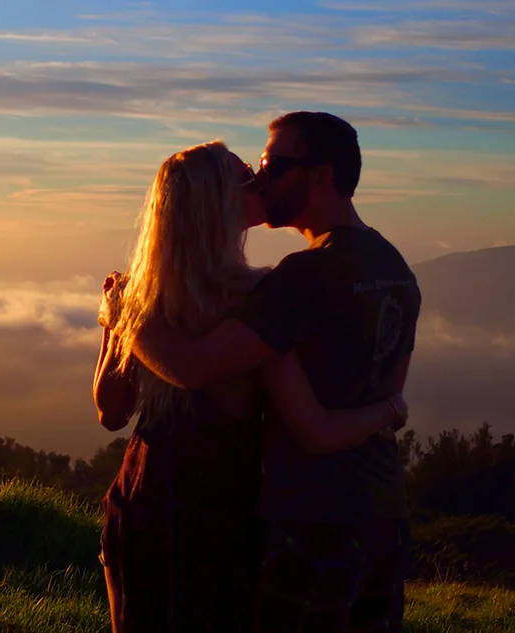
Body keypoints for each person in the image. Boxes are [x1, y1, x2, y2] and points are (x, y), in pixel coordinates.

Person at [93, 139, 409, 633]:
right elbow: (114, 410)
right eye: (245, 177)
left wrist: (121, 320)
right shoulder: (260, 295)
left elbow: (112, 410)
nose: (259, 184)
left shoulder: (144, 296)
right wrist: (388, 408)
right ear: (213, 203)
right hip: (221, 498)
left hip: (145, 488)